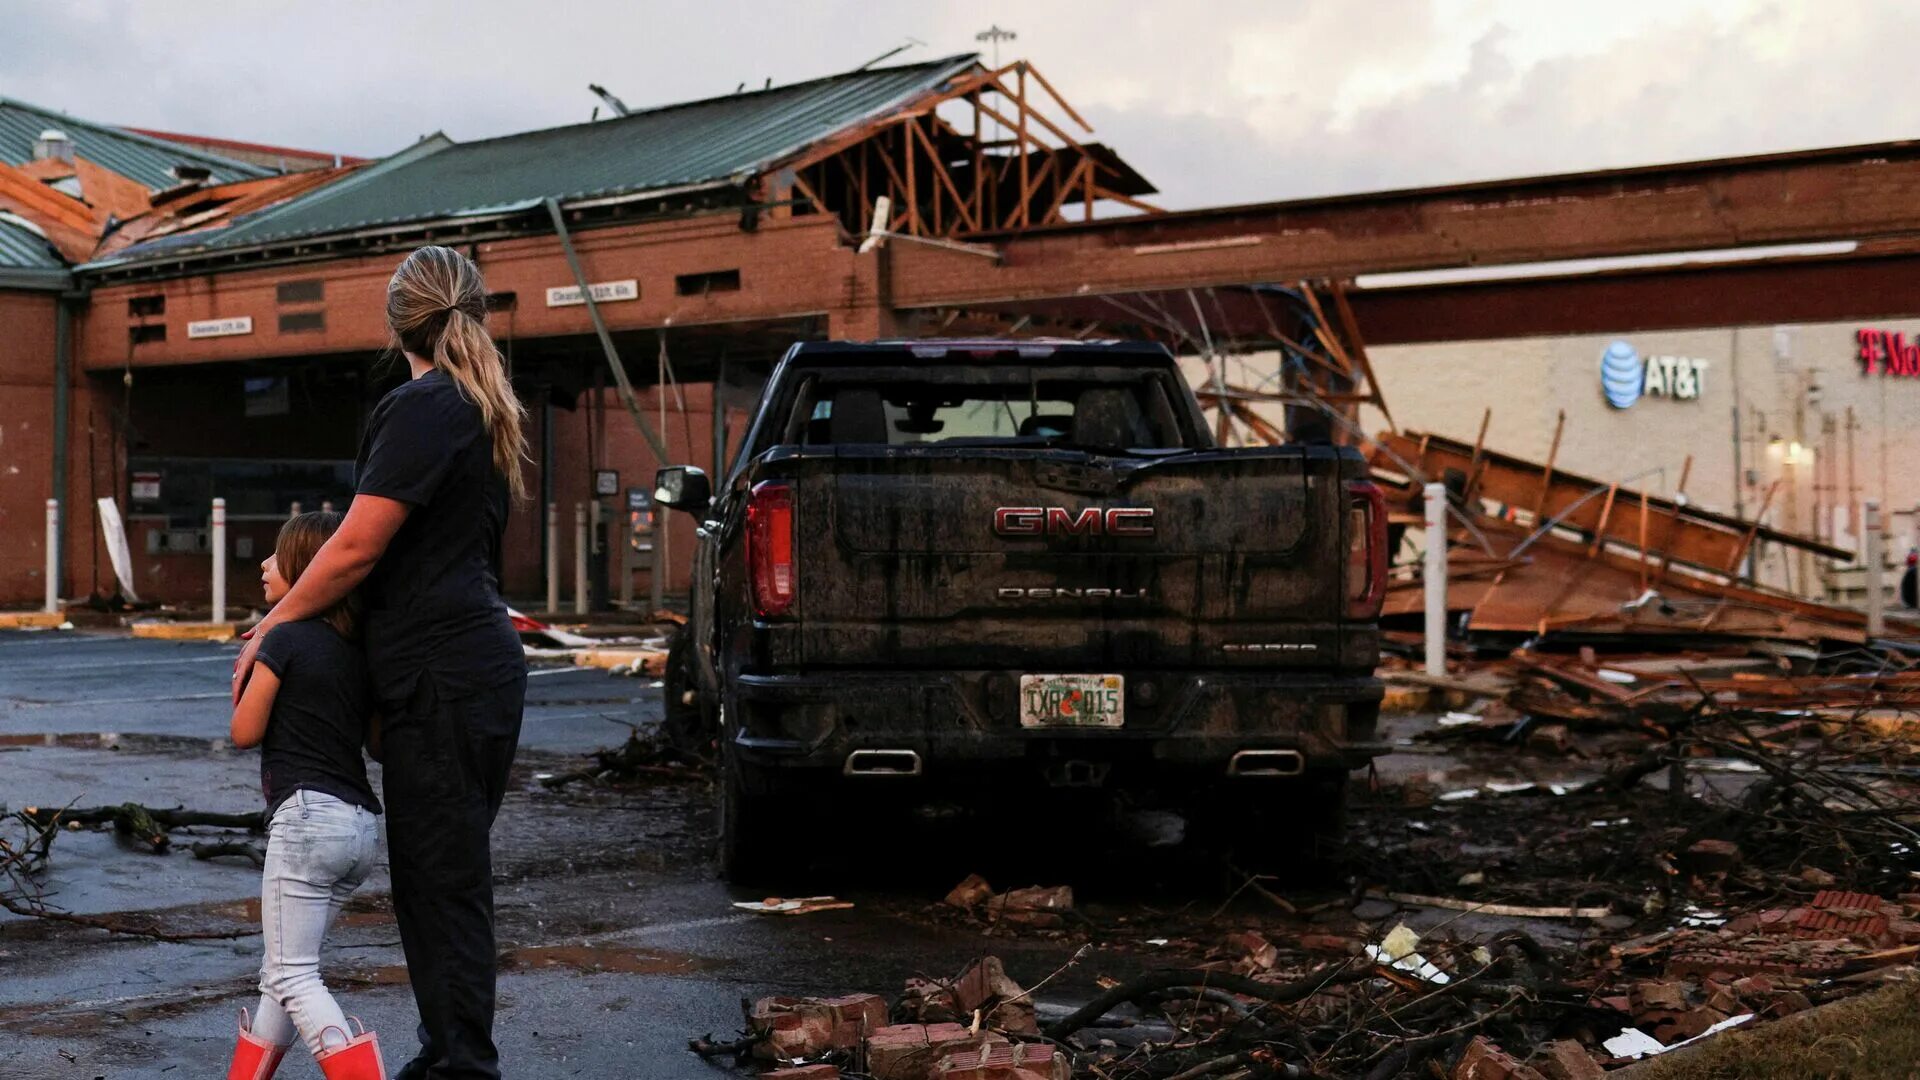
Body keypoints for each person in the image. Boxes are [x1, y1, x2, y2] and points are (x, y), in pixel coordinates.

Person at [234, 245, 530, 1079]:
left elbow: (358, 546)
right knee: (446, 881)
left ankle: (461, 1067)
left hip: (442, 679)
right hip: (470, 670)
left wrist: (271, 626)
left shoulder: (425, 406)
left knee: (440, 886)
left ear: (398, 322)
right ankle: (450, 1058)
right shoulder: (476, 406)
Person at [227, 511, 386, 1080]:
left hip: (305, 820)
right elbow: (377, 742)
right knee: (282, 975)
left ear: (308, 569)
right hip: (360, 827)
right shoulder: (360, 648)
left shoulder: (286, 638)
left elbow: (244, 733)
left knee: (295, 975)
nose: (265, 565)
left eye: (277, 555)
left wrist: (250, 670)